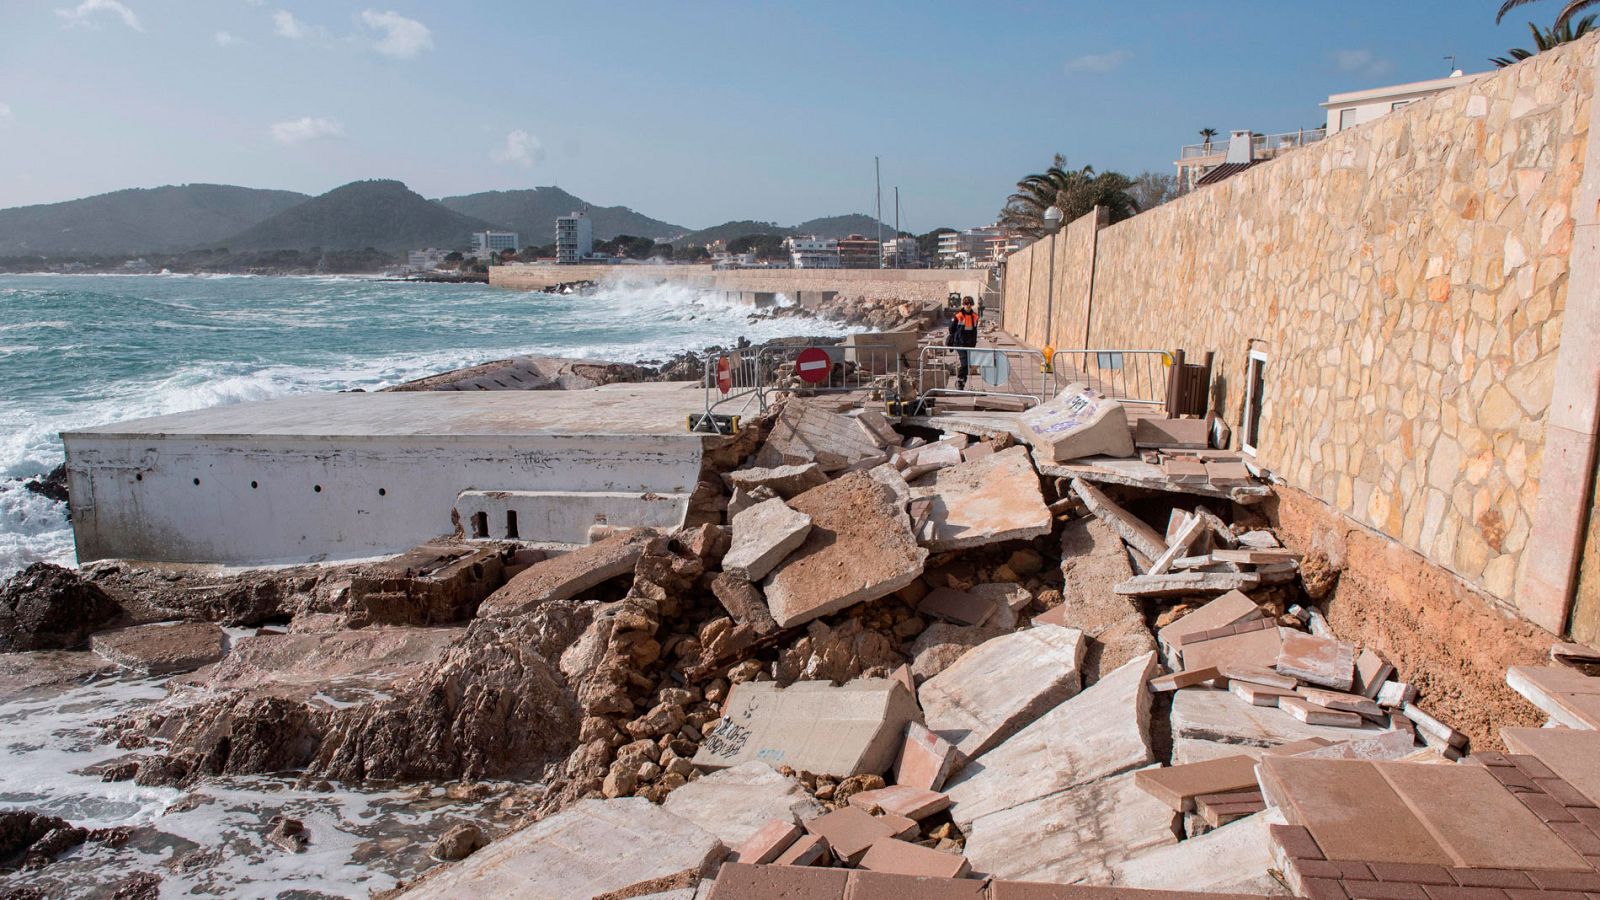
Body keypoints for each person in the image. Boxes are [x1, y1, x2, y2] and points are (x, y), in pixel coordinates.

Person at [946, 295, 980, 390]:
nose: (968, 305)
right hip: (960, 344)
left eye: (970, 304)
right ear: (963, 304)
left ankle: (961, 382)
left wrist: (973, 343)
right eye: (966, 304)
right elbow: (951, 329)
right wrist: (957, 337)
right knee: (964, 363)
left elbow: (974, 331)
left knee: (967, 364)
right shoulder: (958, 316)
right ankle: (960, 381)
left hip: (969, 344)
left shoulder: (975, 317)